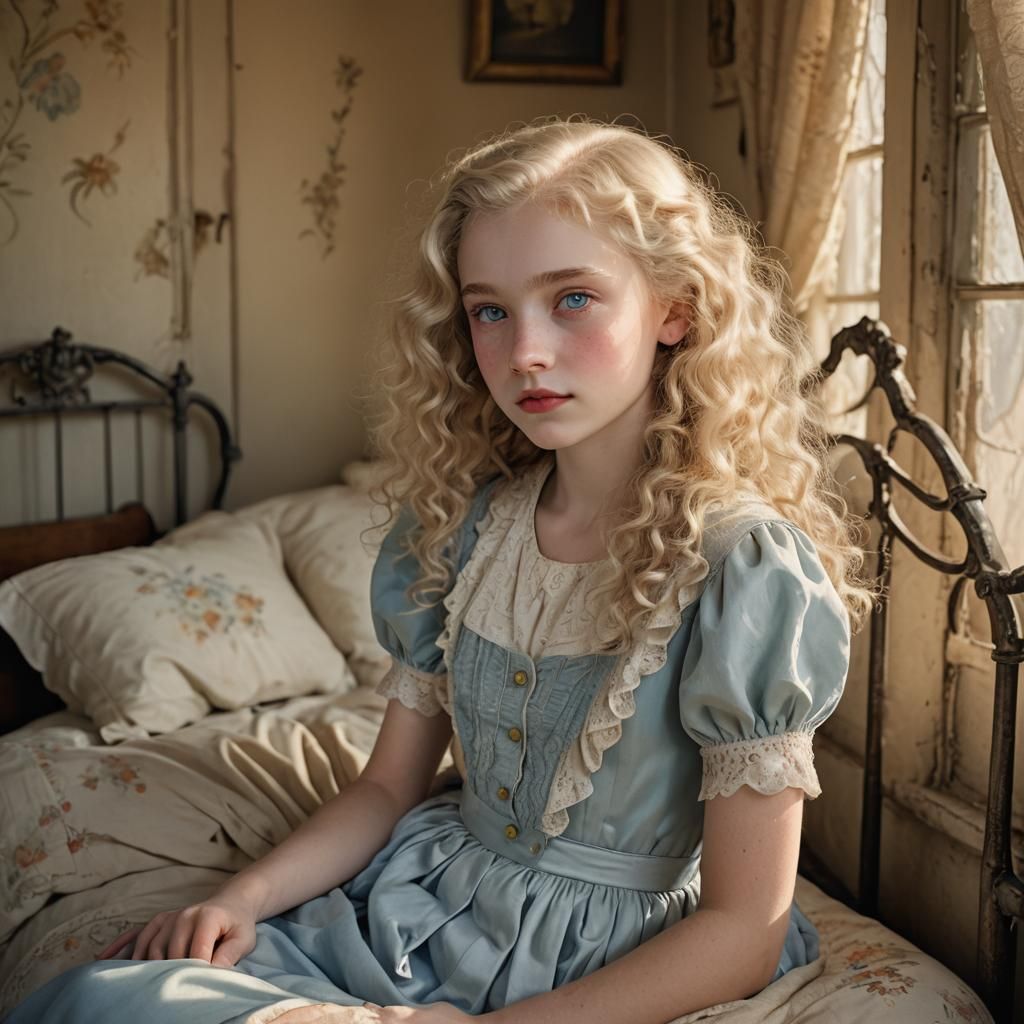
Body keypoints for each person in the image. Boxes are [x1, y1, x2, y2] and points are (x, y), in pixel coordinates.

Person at [5, 116, 876, 1024]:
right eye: (489, 310)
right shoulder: (467, 529)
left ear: (675, 308)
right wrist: (242, 899)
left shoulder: (745, 566)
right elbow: (387, 786)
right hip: (424, 908)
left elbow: (747, 928)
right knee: (113, 1001)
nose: (524, 352)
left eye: (572, 298)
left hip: (609, 972)